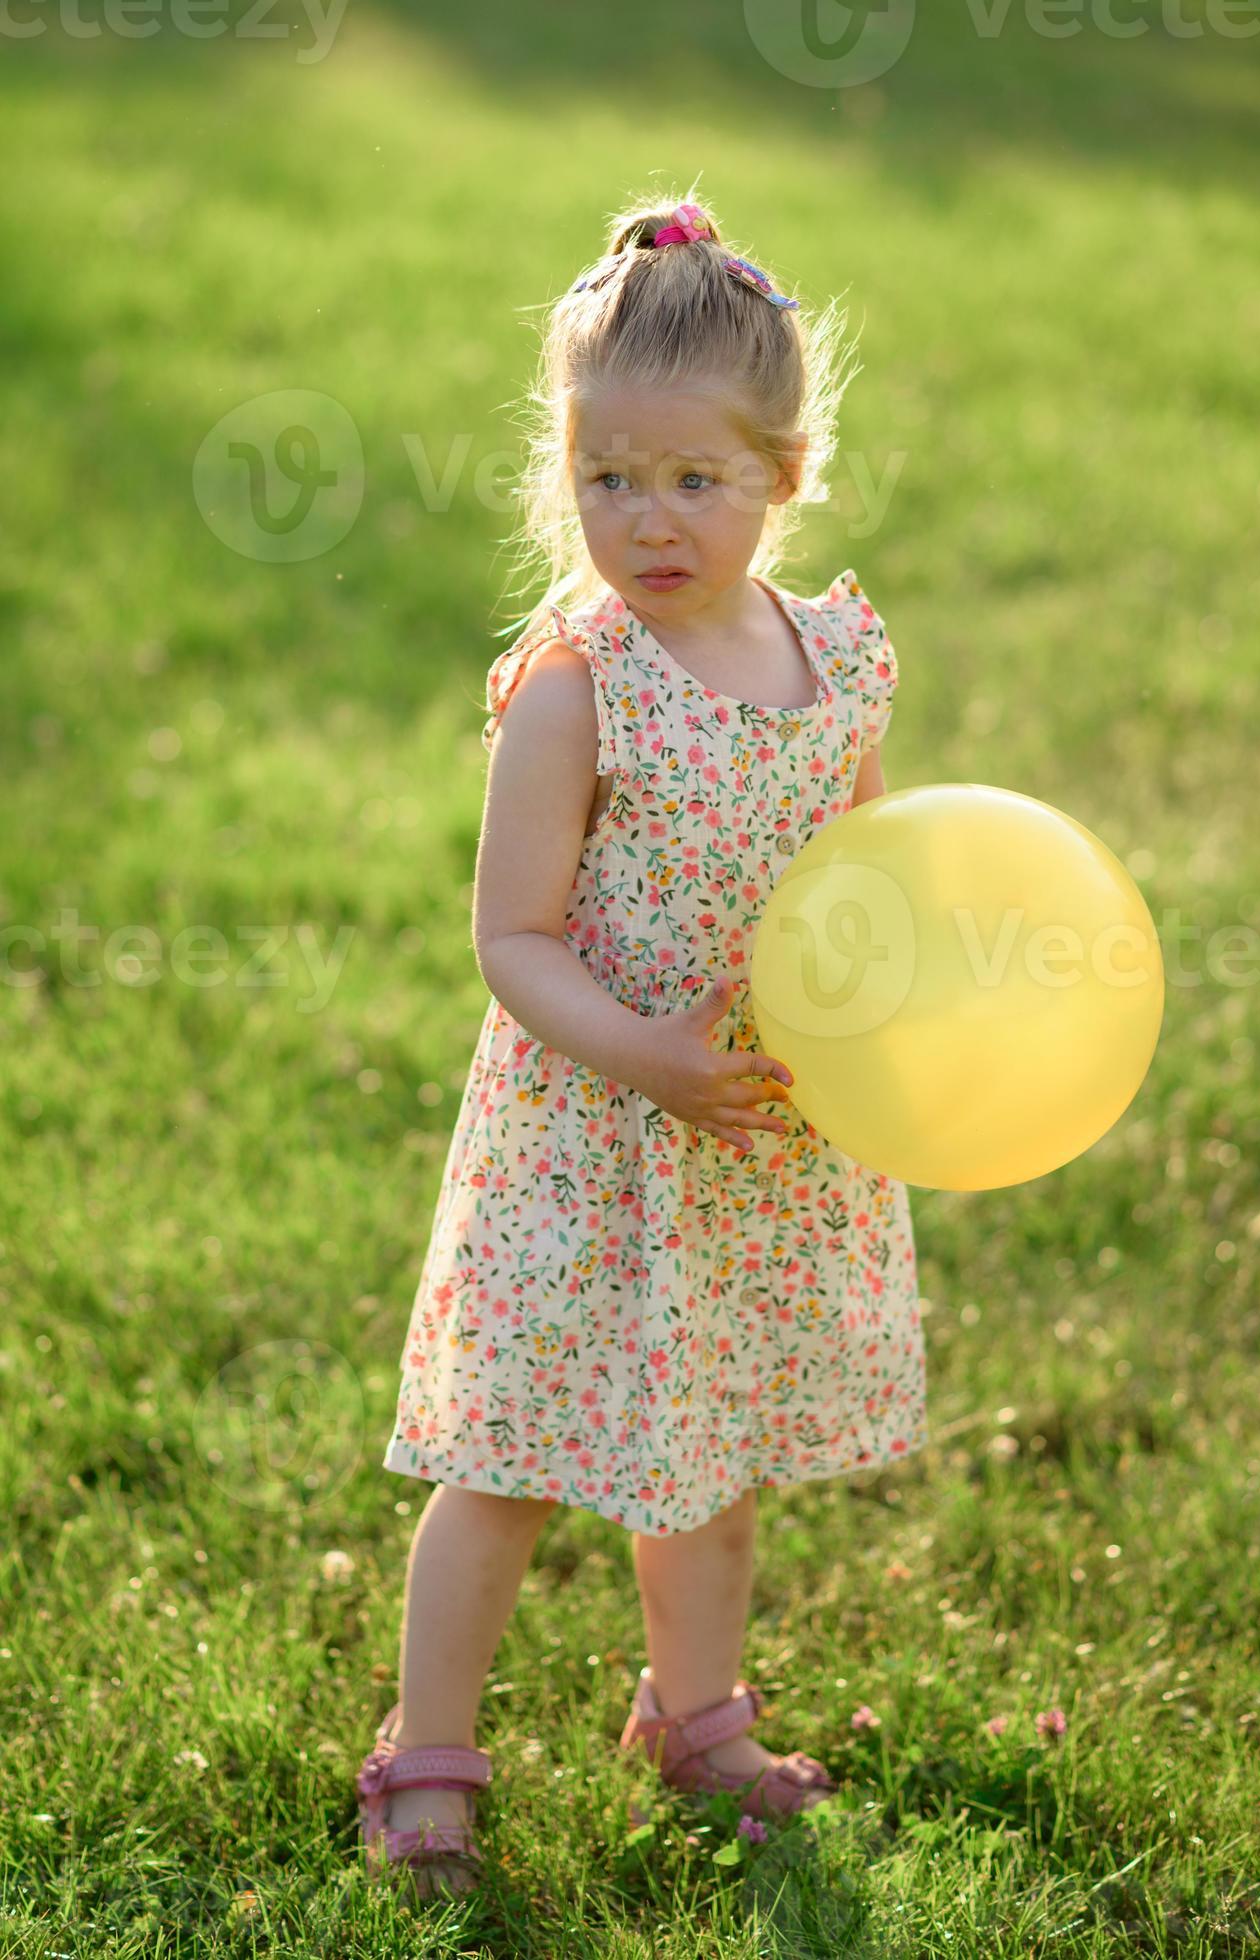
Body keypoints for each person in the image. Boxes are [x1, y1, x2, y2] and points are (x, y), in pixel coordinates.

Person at [355, 184, 928, 1903]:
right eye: (609, 479)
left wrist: (886, 1018)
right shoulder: (577, 681)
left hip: (753, 1135)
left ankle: (693, 1714)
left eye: (694, 480)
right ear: (566, 470)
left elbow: (872, 878)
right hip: (590, 1141)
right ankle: (428, 1750)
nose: (647, 520)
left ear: (785, 473)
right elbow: (512, 937)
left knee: (711, 1456)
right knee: (509, 1469)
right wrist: (644, 1055)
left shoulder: (831, 662)